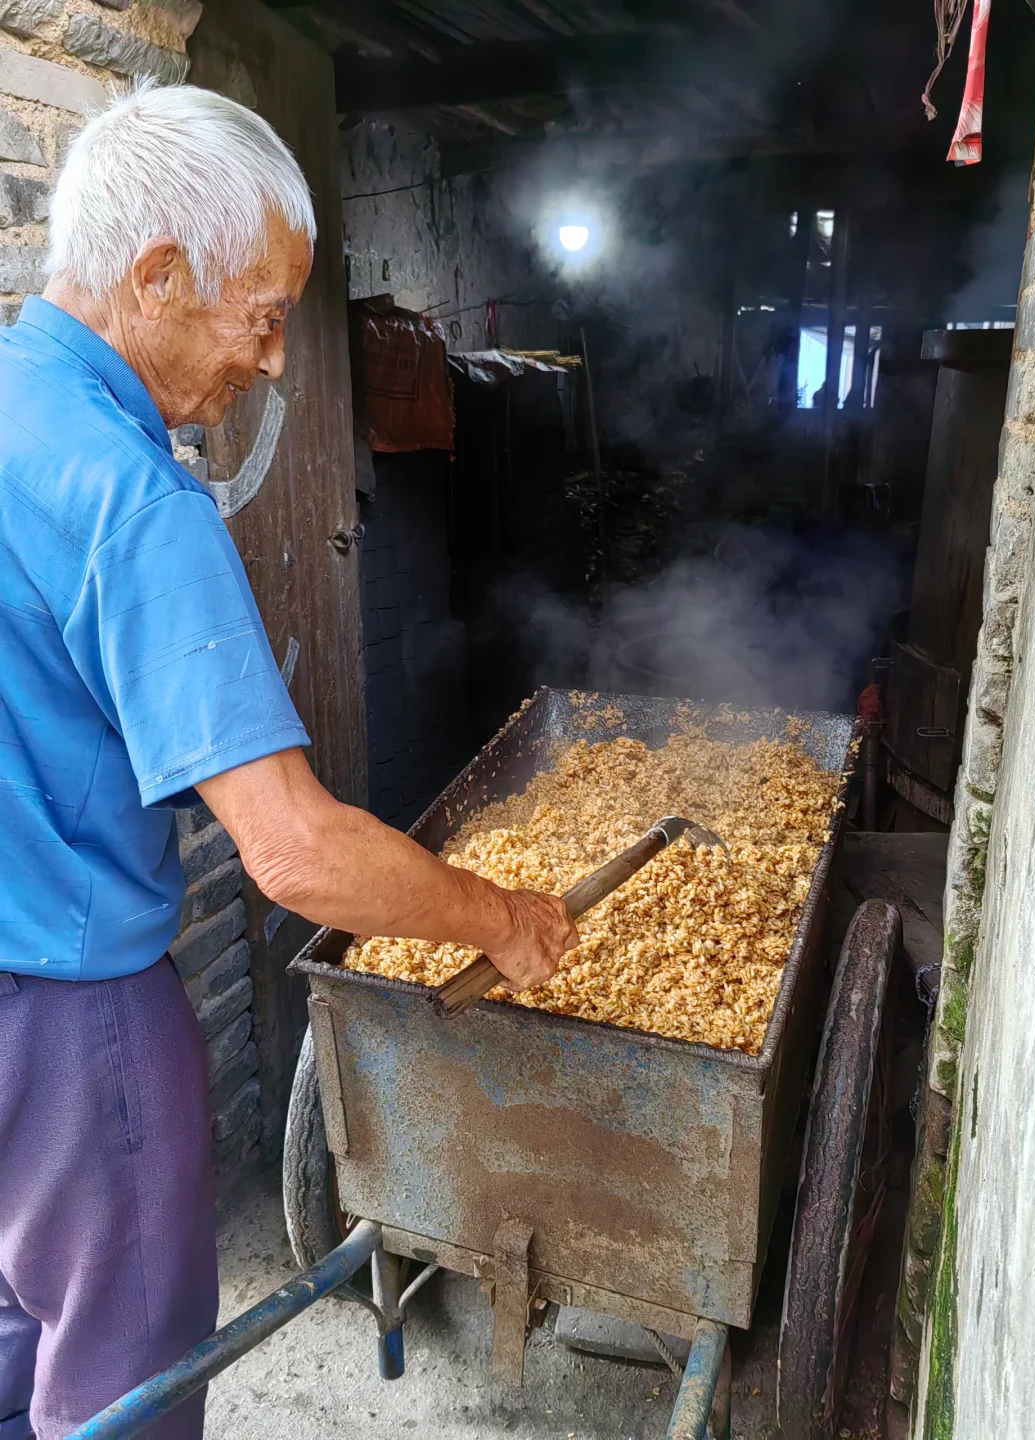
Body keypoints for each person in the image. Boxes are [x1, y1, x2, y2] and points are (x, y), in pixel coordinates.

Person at [0, 83, 578, 1440]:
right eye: (263, 319)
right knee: (121, 1391)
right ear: (155, 279)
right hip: (70, 1013)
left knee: (18, 1341)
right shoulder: (137, 498)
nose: (272, 363)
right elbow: (295, 850)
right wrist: (504, 918)